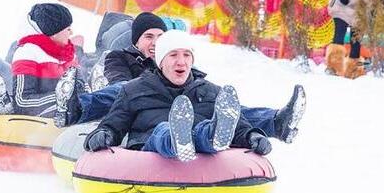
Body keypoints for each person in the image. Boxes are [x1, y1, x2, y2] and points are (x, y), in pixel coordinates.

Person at [63, 13, 305, 143]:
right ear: (136, 40)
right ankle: (77, 108)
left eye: (160, 36)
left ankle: (276, 122)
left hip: (170, 107)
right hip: (126, 105)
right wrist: (147, 86)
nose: (155, 42)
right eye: (149, 36)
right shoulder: (119, 57)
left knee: (221, 103)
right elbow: (117, 85)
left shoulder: (172, 58)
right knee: (124, 89)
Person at [84, 30, 272, 161]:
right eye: (173, 55)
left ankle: (212, 133)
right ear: (161, 61)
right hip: (150, 152)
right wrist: (103, 134)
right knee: (164, 131)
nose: (181, 62)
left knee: (204, 130)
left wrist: (253, 136)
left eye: (186, 55)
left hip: (201, 154)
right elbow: (113, 125)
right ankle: (176, 138)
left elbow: (238, 127)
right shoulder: (134, 90)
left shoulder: (211, 92)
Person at [11, 3, 82, 122]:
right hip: (39, 125)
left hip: (70, 116)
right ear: (54, 31)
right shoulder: (28, 52)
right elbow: (21, 102)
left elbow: (81, 87)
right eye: (68, 29)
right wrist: (63, 100)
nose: (71, 33)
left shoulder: (69, 54)